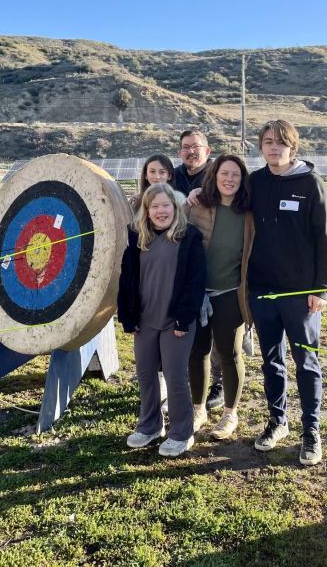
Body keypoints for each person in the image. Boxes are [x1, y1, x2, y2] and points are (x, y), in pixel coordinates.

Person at [247, 120, 327, 466]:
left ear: (292, 148)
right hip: (263, 290)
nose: (273, 148)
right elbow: (224, 200)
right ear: (261, 147)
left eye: (280, 143)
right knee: (271, 360)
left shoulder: (310, 184)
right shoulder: (255, 183)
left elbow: (326, 239)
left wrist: (320, 290)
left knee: (307, 362)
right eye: (268, 142)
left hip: (301, 294)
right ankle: (277, 421)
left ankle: (311, 430)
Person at [117, 182, 206, 457]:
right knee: (145, 374)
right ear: (146, 210)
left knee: (175, 376)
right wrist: (128, 317)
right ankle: (150, 426)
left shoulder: (188, 236)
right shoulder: (137, 236)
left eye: (165, 205)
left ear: (175, 207)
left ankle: (182, 432)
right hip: (145, 320)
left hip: (175, 322)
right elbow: (127, 278)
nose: (160, 211)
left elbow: (195, 282)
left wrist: (183, 319)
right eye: (154, 206)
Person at [186, 154, 254, 440]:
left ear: (242, 180)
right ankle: (198, 409)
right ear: (214, 176)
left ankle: (229, 414)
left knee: (230, 353)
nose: (229, 179)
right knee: (197, 351)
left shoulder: (249, 213)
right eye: (224, 173)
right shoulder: (197, 205)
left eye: (235, 175)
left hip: (230, 294)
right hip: (198, 292)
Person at [173, 128, 226, 411]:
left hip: (212, 260)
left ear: (207, 151)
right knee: (186, 326)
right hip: (179, 261)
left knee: (215, 328)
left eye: (196, 146)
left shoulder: (218, 175)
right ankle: (183, 378)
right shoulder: (173, 176)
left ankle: (218, 383)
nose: (190, 151)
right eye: (185, 147)